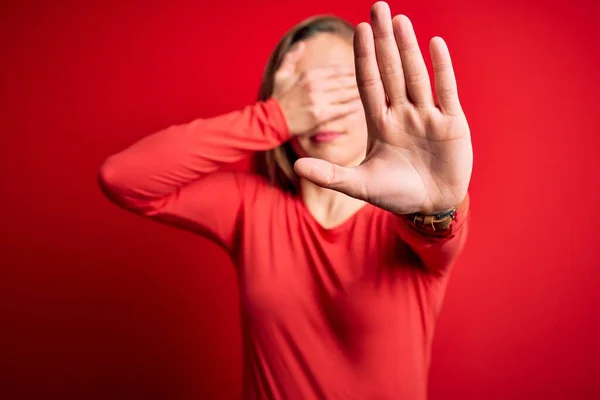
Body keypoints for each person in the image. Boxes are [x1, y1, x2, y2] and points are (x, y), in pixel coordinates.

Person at [98, 1, 473, 399]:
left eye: (341, 89)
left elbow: (441, 232)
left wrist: (435, 206)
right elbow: (123, 178)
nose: (320, 112)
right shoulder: (253, 208)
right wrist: (274, 117)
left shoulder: (404, 224)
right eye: (305, 93)